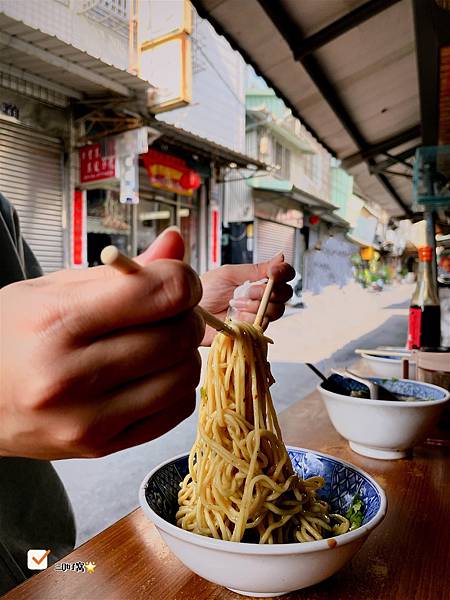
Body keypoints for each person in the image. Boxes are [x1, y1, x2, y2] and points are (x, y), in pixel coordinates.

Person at [0, 192, 294, 593]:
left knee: (78, 575)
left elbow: (44, 326)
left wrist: (173, 313)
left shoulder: (2, 211)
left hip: (44, 551)